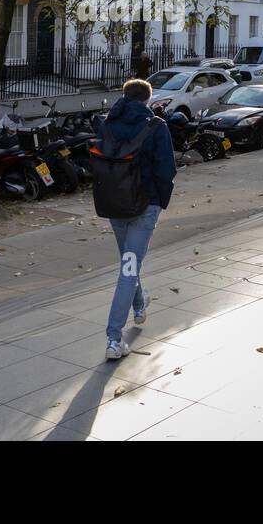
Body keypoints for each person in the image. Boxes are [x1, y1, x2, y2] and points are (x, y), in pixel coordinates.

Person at [100, 78, 177, 360]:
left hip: (115, 205)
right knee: (129, 269)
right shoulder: (156, 126)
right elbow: (167, 170)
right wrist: (159, 202)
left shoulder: (107, 123)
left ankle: (140, 306)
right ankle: (113, 339)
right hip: (145, 206)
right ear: (147, 99)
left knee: (128, 264)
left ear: (124, 96)